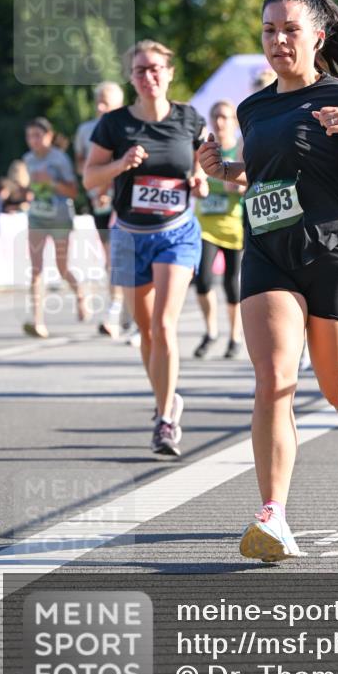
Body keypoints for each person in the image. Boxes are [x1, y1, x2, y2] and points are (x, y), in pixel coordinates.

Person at [199, 0, 338, 562]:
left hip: (333, 252)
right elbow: (264, 174)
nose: (278, 40)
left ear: (317, 36)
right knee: (274, 379)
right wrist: (226, 168)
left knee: (337, 387)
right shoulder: (252, 108)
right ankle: (274, 515)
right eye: (269, 30)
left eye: (289, 29)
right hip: (268, 251)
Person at [84, 40, 208, 458]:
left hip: (176, 232)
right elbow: (90, 179)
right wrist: (121, 165)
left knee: (165, 324)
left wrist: (200, 180)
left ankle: (165, 421)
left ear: (169, 73)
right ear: (131, 78)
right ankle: (166, 400)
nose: (148, 77)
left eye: (155, 69)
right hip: (128, 234)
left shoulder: (190, 118)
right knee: (147, 331)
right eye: (139, 71)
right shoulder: (115, 125)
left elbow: (205, 163)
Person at [22, 117, 87, 338]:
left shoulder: (60, 159)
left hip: (60, 218)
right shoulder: (27, 160)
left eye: (38, 135)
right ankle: (38, 321)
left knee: (61, 267)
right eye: (30, 136)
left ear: (49, 136)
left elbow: (73, 192)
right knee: (36, 269)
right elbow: (29, 189)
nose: (34, 140)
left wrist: (50, 182)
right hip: (37, 217)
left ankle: (80, 294)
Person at [193, 100, 245, 359]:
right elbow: (196, 179)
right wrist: (198, 187)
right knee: (202, 281)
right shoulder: (205, 148)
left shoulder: (239, 148)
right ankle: (211, 331)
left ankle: (234, 336)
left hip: (234, 227)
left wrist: (235, 184)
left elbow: (251, 181)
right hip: (206, 226)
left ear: (233, 121)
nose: (220, 121)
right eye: (216, 116)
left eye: (225, 117)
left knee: (232, 286)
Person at [74, 81, 126, 336]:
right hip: (98, 202)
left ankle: (116, 312)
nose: (101, 105)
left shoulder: (127, 126)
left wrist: (107, 184)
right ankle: (120, 308)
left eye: (107, 100)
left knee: (121, 256)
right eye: (98, 100)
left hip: (123, 199)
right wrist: (96, 184)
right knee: (111, 258)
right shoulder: (86, 130)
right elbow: (81, 164)